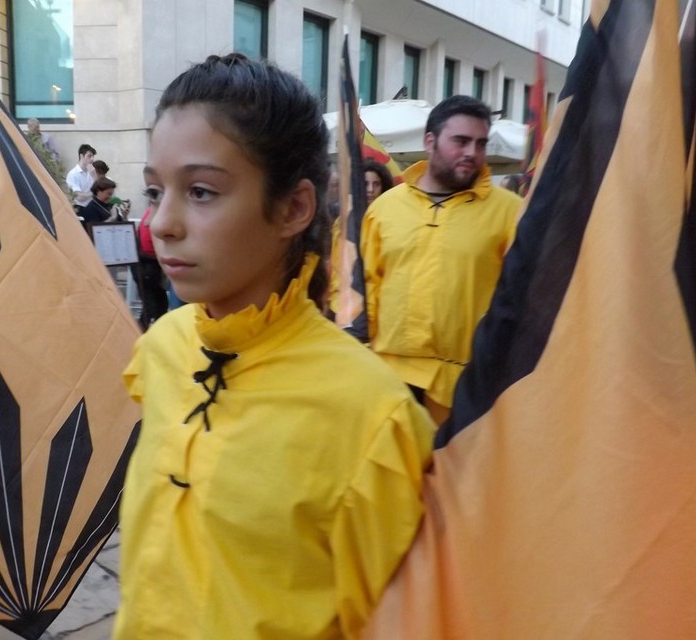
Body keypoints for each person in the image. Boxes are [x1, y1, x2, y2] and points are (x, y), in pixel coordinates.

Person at [113, 53, 434, 640]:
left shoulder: (372, 418)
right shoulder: (161, 348)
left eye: (202, 191)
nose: (161, 223)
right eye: (156, 191)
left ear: (292, 208)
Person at [354, 95, 522, 425]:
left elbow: (521, 299)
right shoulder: (385, 209)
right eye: (460, 141)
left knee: (453, 477)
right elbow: (364, 288)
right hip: (388, 379)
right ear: (430, 141)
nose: (472, 153)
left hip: (467, 387)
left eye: (480, 143)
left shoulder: (511, 213)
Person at [66, 143, 97, 216]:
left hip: (93, 207)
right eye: (89, 156)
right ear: (81, 156)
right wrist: (94, 193)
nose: (92, 159)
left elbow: (100, 189)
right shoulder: (73, 174)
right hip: (80, 208)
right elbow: (79, 197)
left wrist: (95, 176)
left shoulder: (92, 171)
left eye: (93, 156)